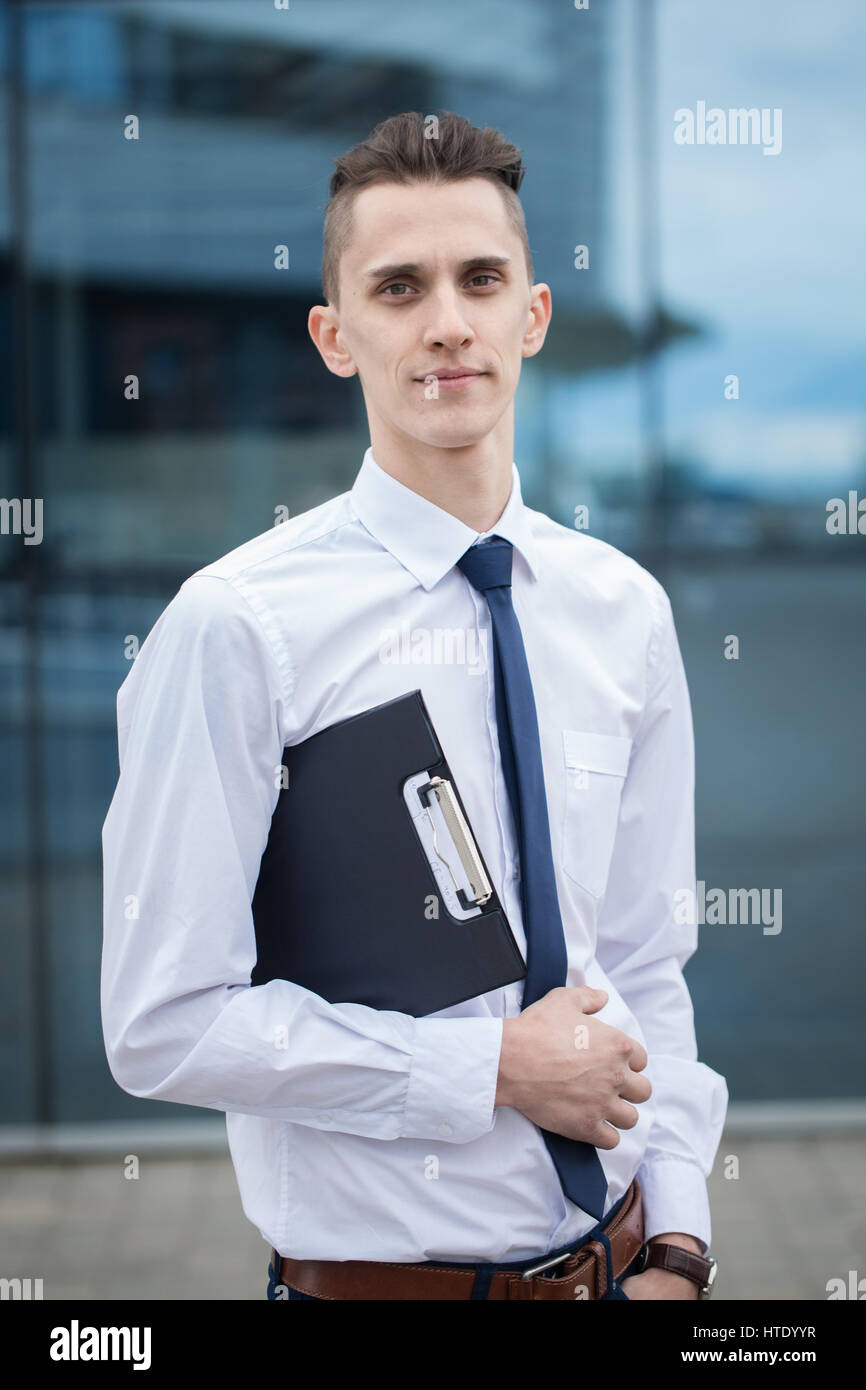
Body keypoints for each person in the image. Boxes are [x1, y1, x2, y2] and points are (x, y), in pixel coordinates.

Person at [101, 110, 727, 1302]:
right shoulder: (237, 626)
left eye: (479, 278)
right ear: (335, 337)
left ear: (529, 314)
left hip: (623, 1271)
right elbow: (161, 1022)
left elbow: (648, 961)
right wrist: (488, 1067)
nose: (446, 321)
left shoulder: (621, 610)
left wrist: (680, 1246)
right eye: (398, 287)